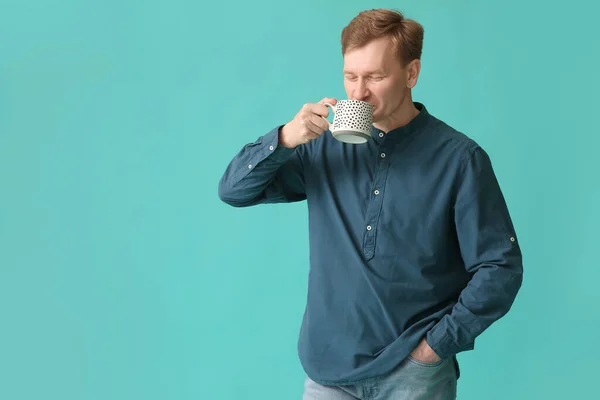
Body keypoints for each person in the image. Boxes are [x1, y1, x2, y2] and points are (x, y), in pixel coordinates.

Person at [218, 8, 523, 400]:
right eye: (350, 77)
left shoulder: (460, 159)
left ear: (411, 74)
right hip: (327, 371)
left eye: (375, 77)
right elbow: (233, 190)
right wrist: (286, 137)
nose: (358, 92)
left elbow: (500, 267)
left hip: (414, 376)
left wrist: (435, 348)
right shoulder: (320, 148)